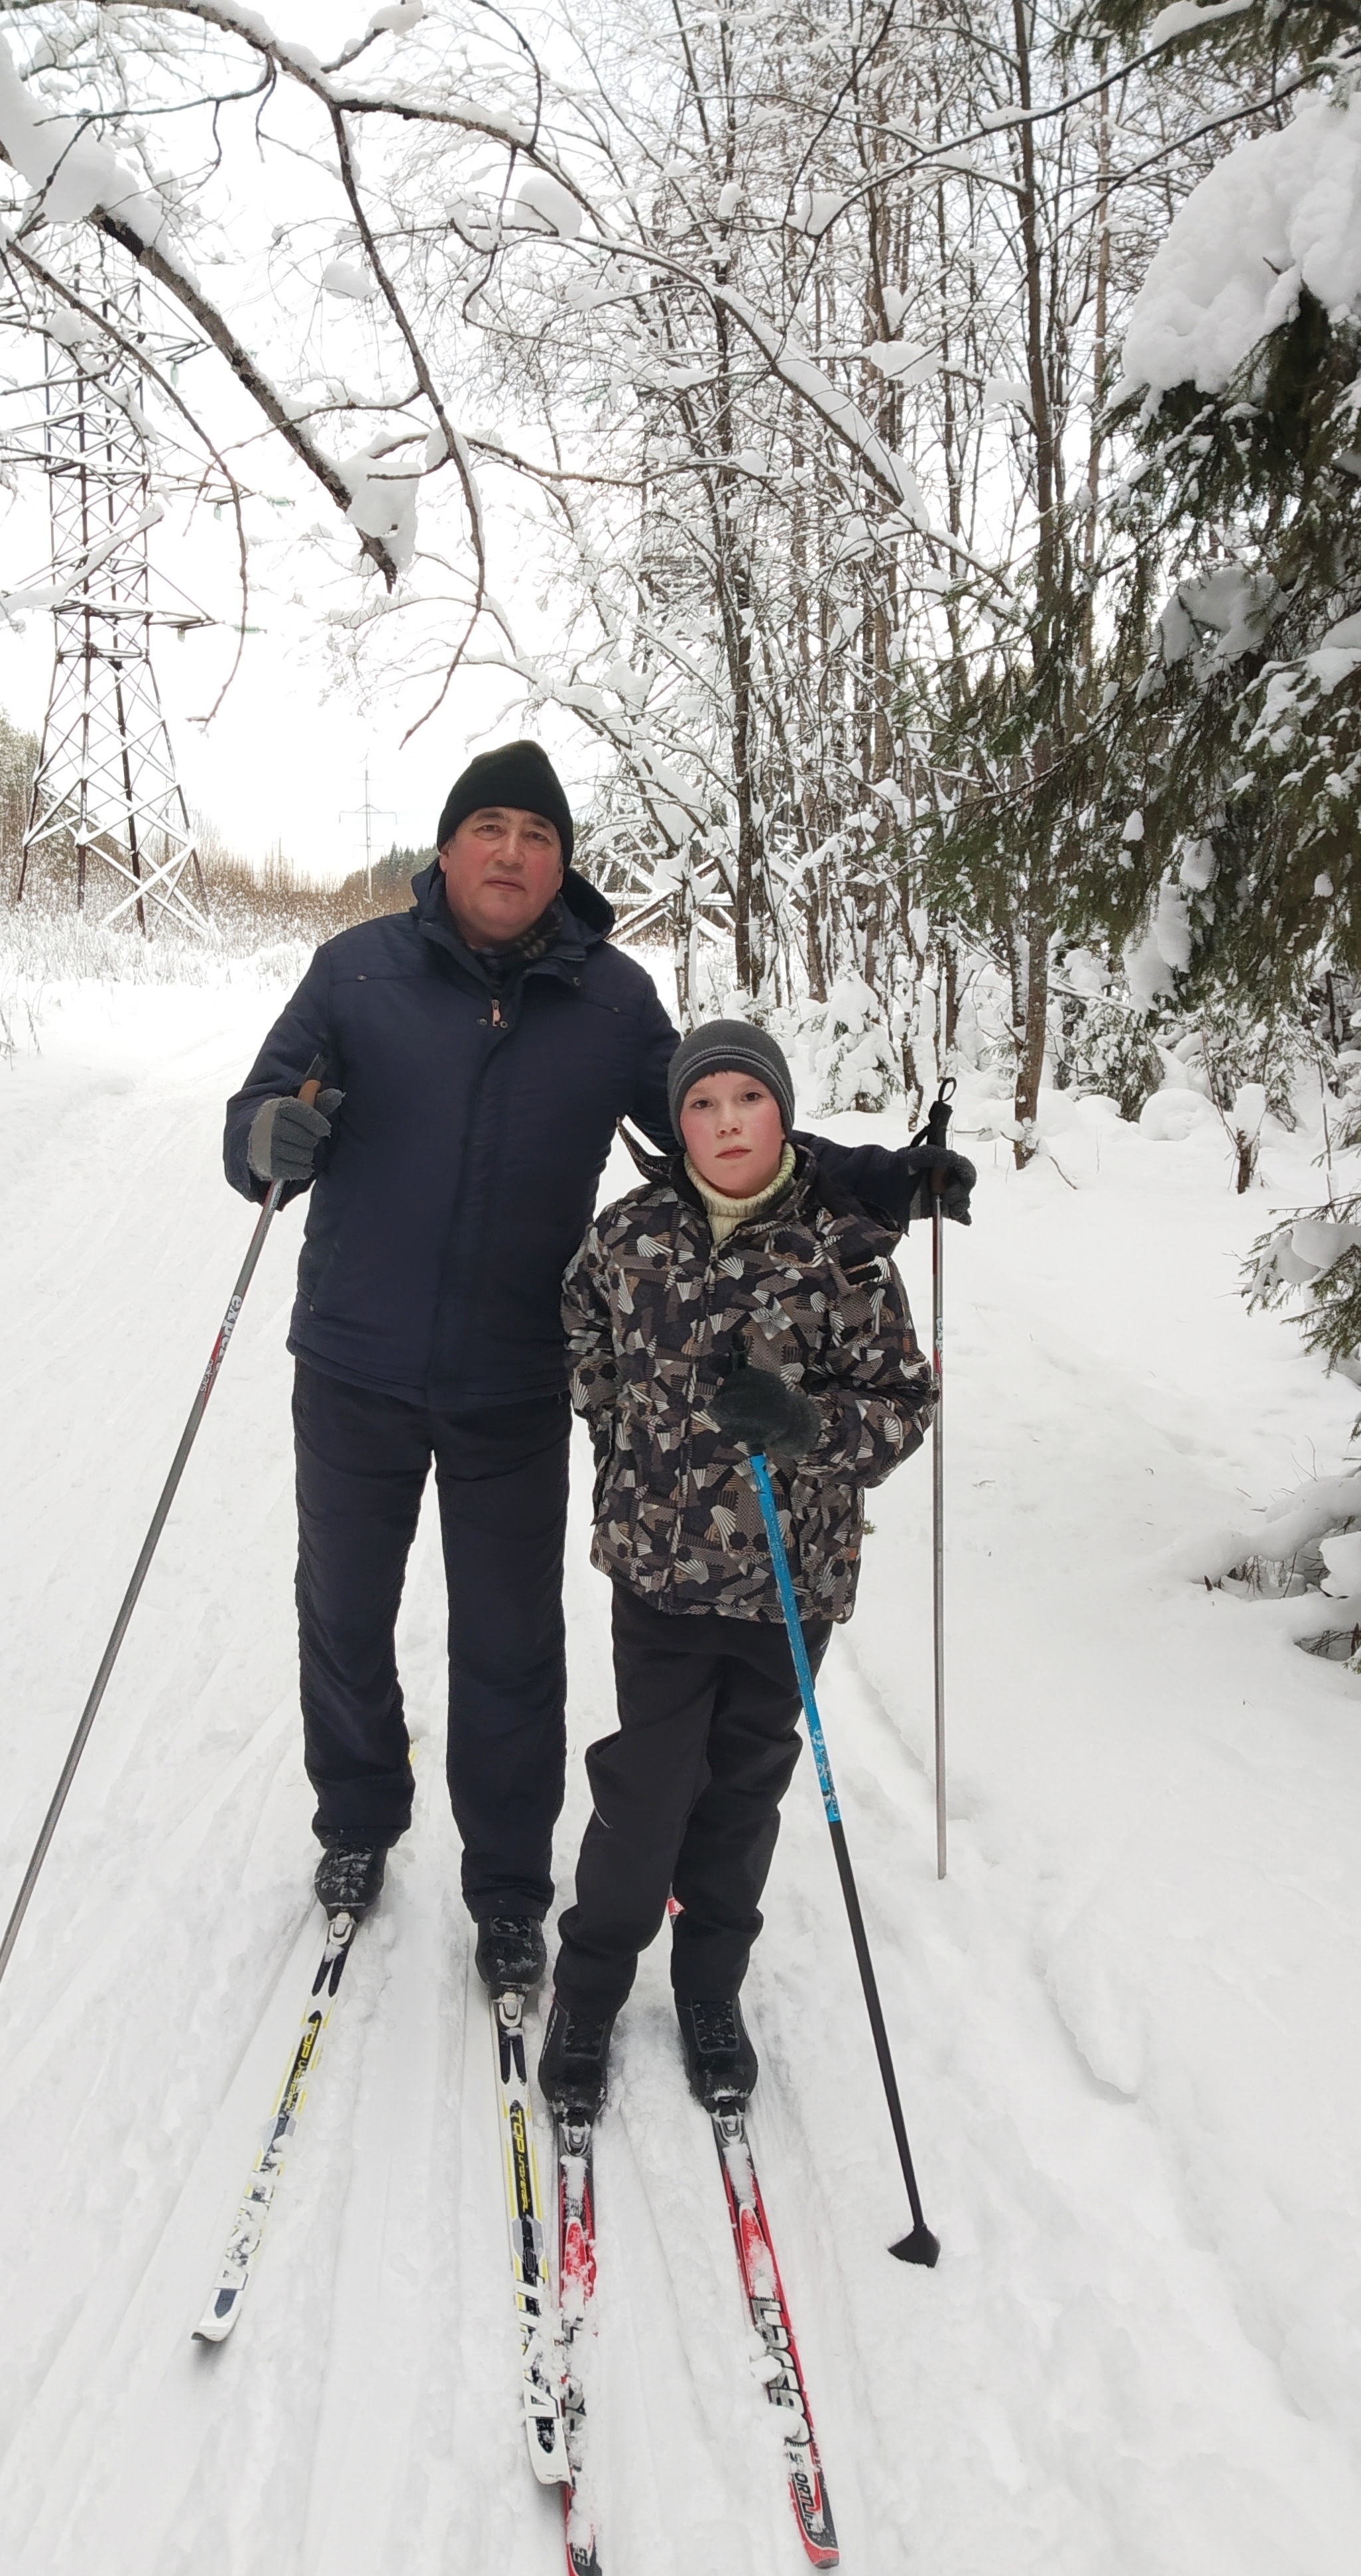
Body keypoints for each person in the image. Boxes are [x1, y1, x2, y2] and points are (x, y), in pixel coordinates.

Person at [223, 740, 971, 1995]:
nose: (513, 851)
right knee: (343, 1611)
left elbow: (716, 1128)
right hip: (352, 1361)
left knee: (509, 1639)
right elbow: (256, 1122)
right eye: (491, 827)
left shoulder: (614, 1000)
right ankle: (357, 1817)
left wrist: (872, 1178)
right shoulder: (355, 972)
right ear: (448, 847)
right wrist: (265, 1136)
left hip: (512, 1379)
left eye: (539, 834)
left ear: (562, 863)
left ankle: (509, 1878)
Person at [538, 1019, 935, 2112]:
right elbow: (582, 1332)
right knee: (646, 1791)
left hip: (790, 1586)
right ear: (678, 1124)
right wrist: (617, 1432)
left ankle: (711, 1986)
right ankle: (591, 1989)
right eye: (703, 1106)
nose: (725, 1125)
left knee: (744, 1792)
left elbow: (906, 1408)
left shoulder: (842, 1249)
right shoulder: (630, 1234)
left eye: (746, 1102)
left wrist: (808, 1424)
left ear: (781, 1112)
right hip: (660, 1573)